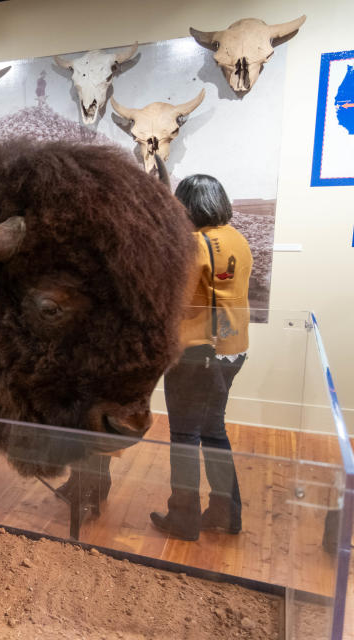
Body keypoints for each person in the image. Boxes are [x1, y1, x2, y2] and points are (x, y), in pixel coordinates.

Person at [150, 174, 253, 541]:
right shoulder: (236, 238)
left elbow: (170, 296)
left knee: (185, 434)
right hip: (232, 349)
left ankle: (183, 518)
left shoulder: (193, 244)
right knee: (213, 432)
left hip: (197, 353)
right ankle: (226, 514)